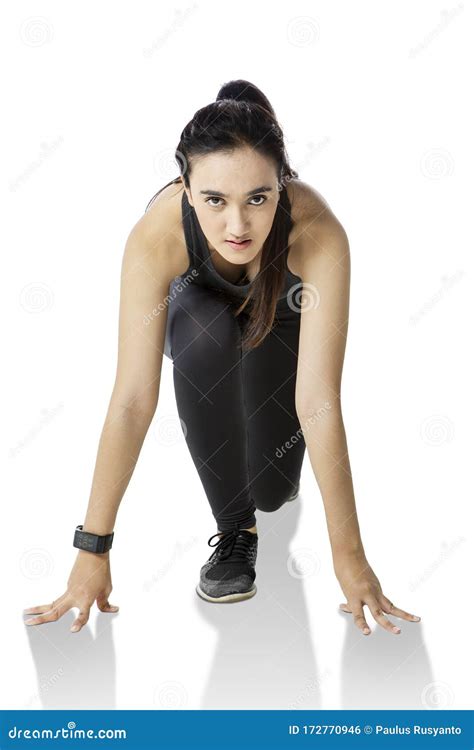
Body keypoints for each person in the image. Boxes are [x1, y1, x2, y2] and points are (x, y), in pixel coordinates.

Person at [24, 79, 421, 633]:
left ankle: (261, 498)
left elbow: (319, 401)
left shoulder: (319, 232)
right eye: (215, 200)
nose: (237, 226)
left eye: (257, 198)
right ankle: (236, 531)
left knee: (274, 491)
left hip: (279, 314)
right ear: (185, 188)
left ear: (283, 186)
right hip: (198, 320)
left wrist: (349, 558)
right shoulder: (157, 233)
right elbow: (134, 398)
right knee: (207, 330)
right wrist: (93, 549)